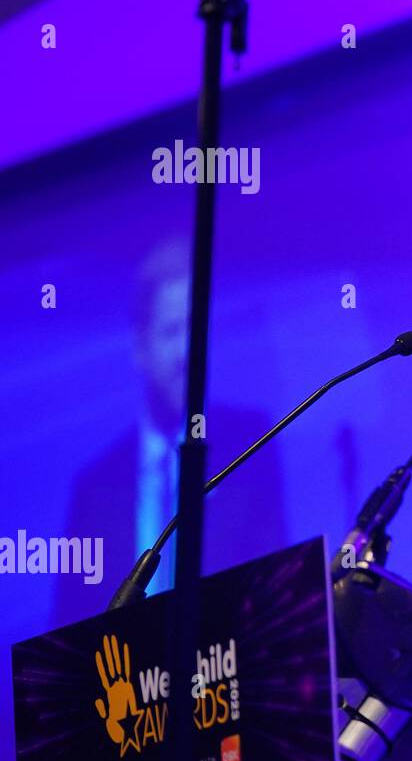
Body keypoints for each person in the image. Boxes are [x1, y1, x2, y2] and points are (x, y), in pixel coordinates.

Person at [56, 239, 288, 627]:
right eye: (170, 332)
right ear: (139, 346)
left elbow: (276, 585)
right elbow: (67, 627)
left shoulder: (251, 443)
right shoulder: (94, 487)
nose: (185, 353)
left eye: (194, 332)